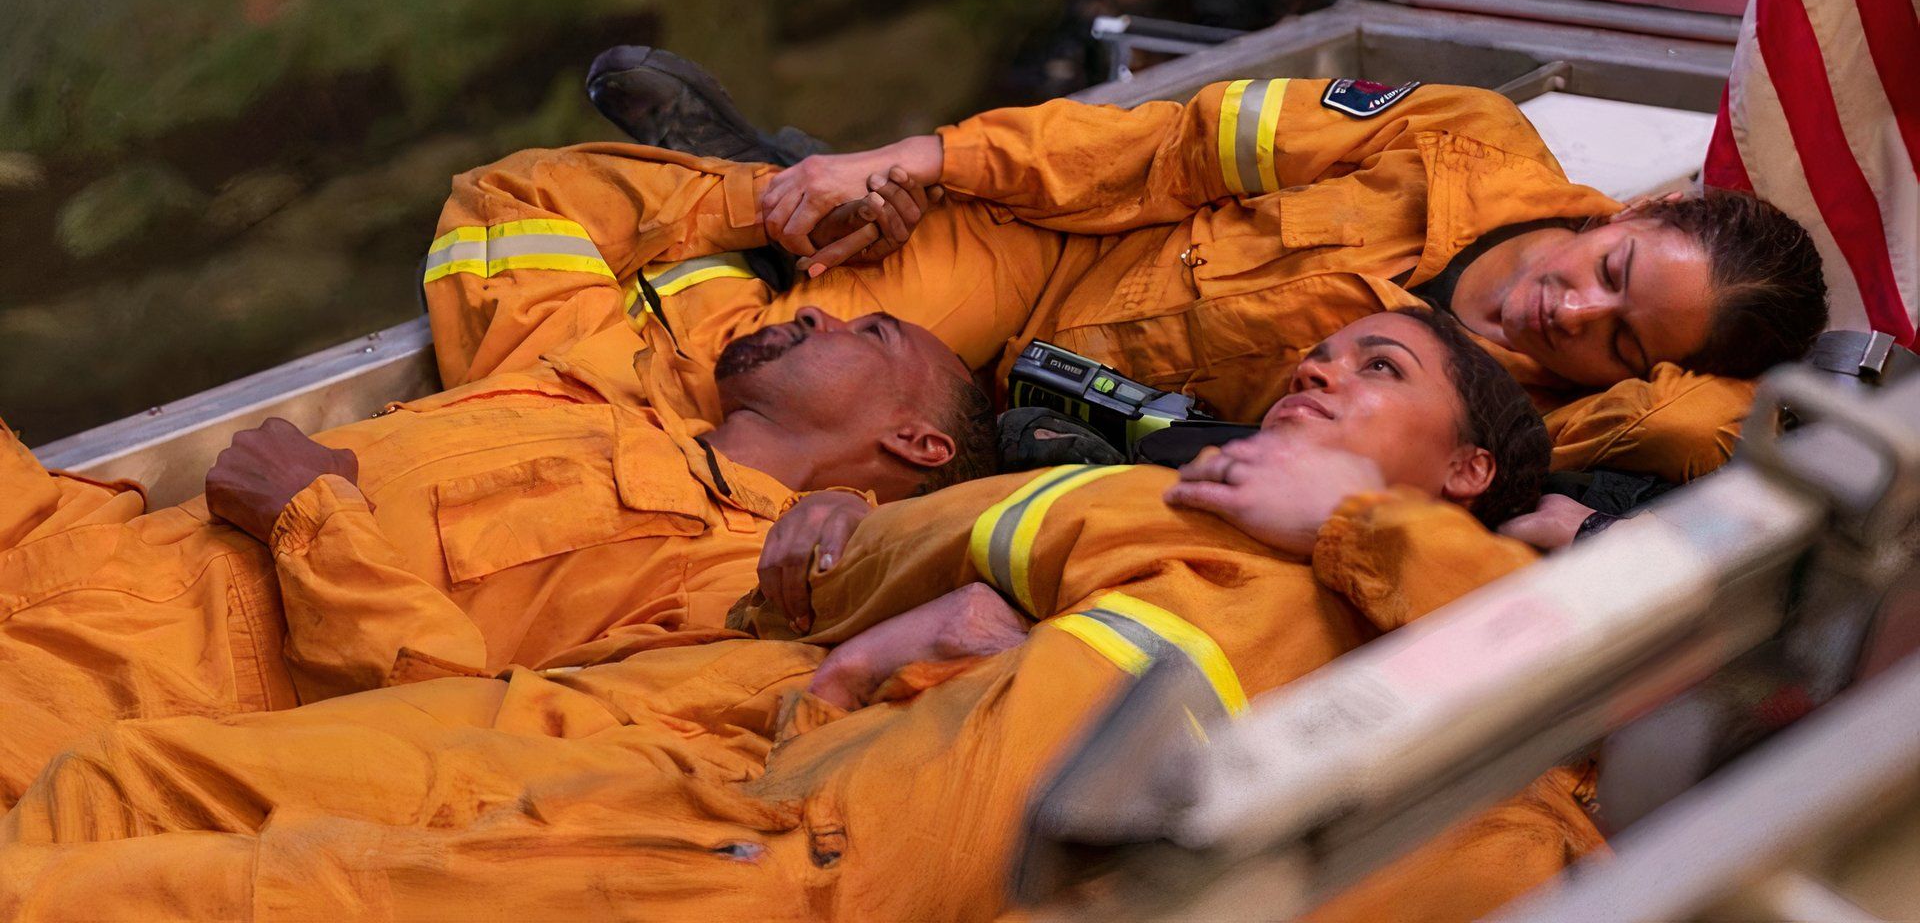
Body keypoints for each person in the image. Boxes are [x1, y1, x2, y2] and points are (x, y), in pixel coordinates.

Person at [0, 311, 1593, 923]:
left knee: (134, 842)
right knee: (123, 802)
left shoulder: (1446, 647)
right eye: (1318, 357)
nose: (1319, 369)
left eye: (1377, 373)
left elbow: (1565, 673)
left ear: (1460, 477)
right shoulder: (624, 385)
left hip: (736, 857)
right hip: (92, 561)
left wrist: (315, 516)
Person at [494, 48, 1824, 490]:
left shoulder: (1532, 419)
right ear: (1633, 208)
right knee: (734, 363)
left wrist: (1683, 376)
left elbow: (1710, 430)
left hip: (1057, 418)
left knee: (772, 441)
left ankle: (764, 183)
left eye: (1625, 337)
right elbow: (1163, 149)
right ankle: (780, 175)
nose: (1573, 310)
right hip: (1049, 255)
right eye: (1613, 266)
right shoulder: (1462, 142)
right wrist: (925, 151)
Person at [0, 307, 995, 808]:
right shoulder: (608, 392)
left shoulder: (737, 593)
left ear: (917, 443)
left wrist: (309, 515)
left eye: (871, 330)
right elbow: (516, 199)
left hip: (102, 694)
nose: (817, 313)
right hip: (58, 536)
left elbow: (468, 741)